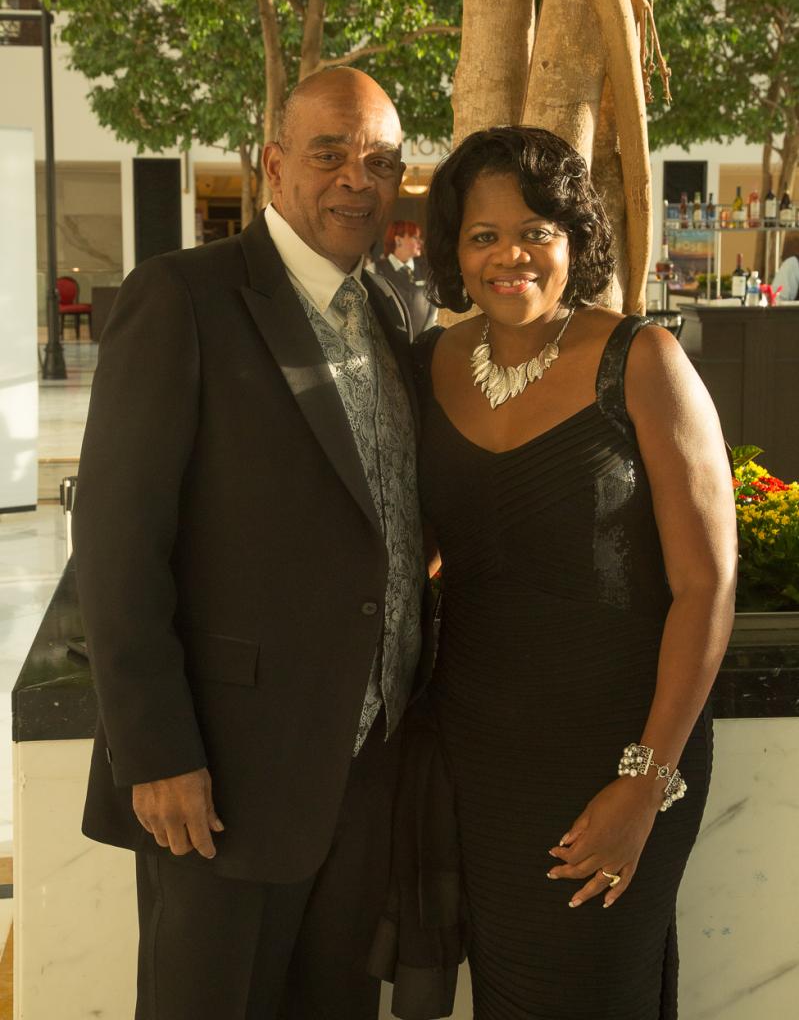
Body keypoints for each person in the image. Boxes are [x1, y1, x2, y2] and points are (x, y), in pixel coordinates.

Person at [73, 67, 432, 1020]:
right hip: (221, 776)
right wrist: (156, 752)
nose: (356, 179)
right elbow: (115, 544)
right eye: (329, 154)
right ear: (274, 166)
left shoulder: (396, 309)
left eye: (380, 162)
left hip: (368, 767)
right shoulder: (182, 299)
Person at [383, 127, 737, 1019]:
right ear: (454, 251)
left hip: (618, 749)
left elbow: (706, 588)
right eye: (483, 235)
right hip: (476, 752)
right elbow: (426, 545)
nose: (510, 255)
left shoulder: (642, 361)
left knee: (594, 988)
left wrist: (643, 784)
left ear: (574, 240)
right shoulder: (430, 364)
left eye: (535, 231)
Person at [375, 220, 438, 338]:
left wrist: (425, 339)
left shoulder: (426, 271)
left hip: (423, 342)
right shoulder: (374, 270)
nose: (420, 242)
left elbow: (432, 312)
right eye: (415, 237)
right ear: (398, 240)